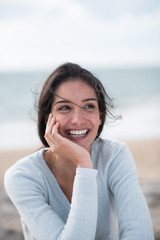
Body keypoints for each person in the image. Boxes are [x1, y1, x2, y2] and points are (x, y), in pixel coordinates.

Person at [4, 62, 154, 240]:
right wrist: (84, 165)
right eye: (65, 107)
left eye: (89, 106)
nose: (77, 119)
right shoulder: (22, 177)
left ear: (100, 117)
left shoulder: (115, 156)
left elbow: (140, 234)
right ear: (47, 119)